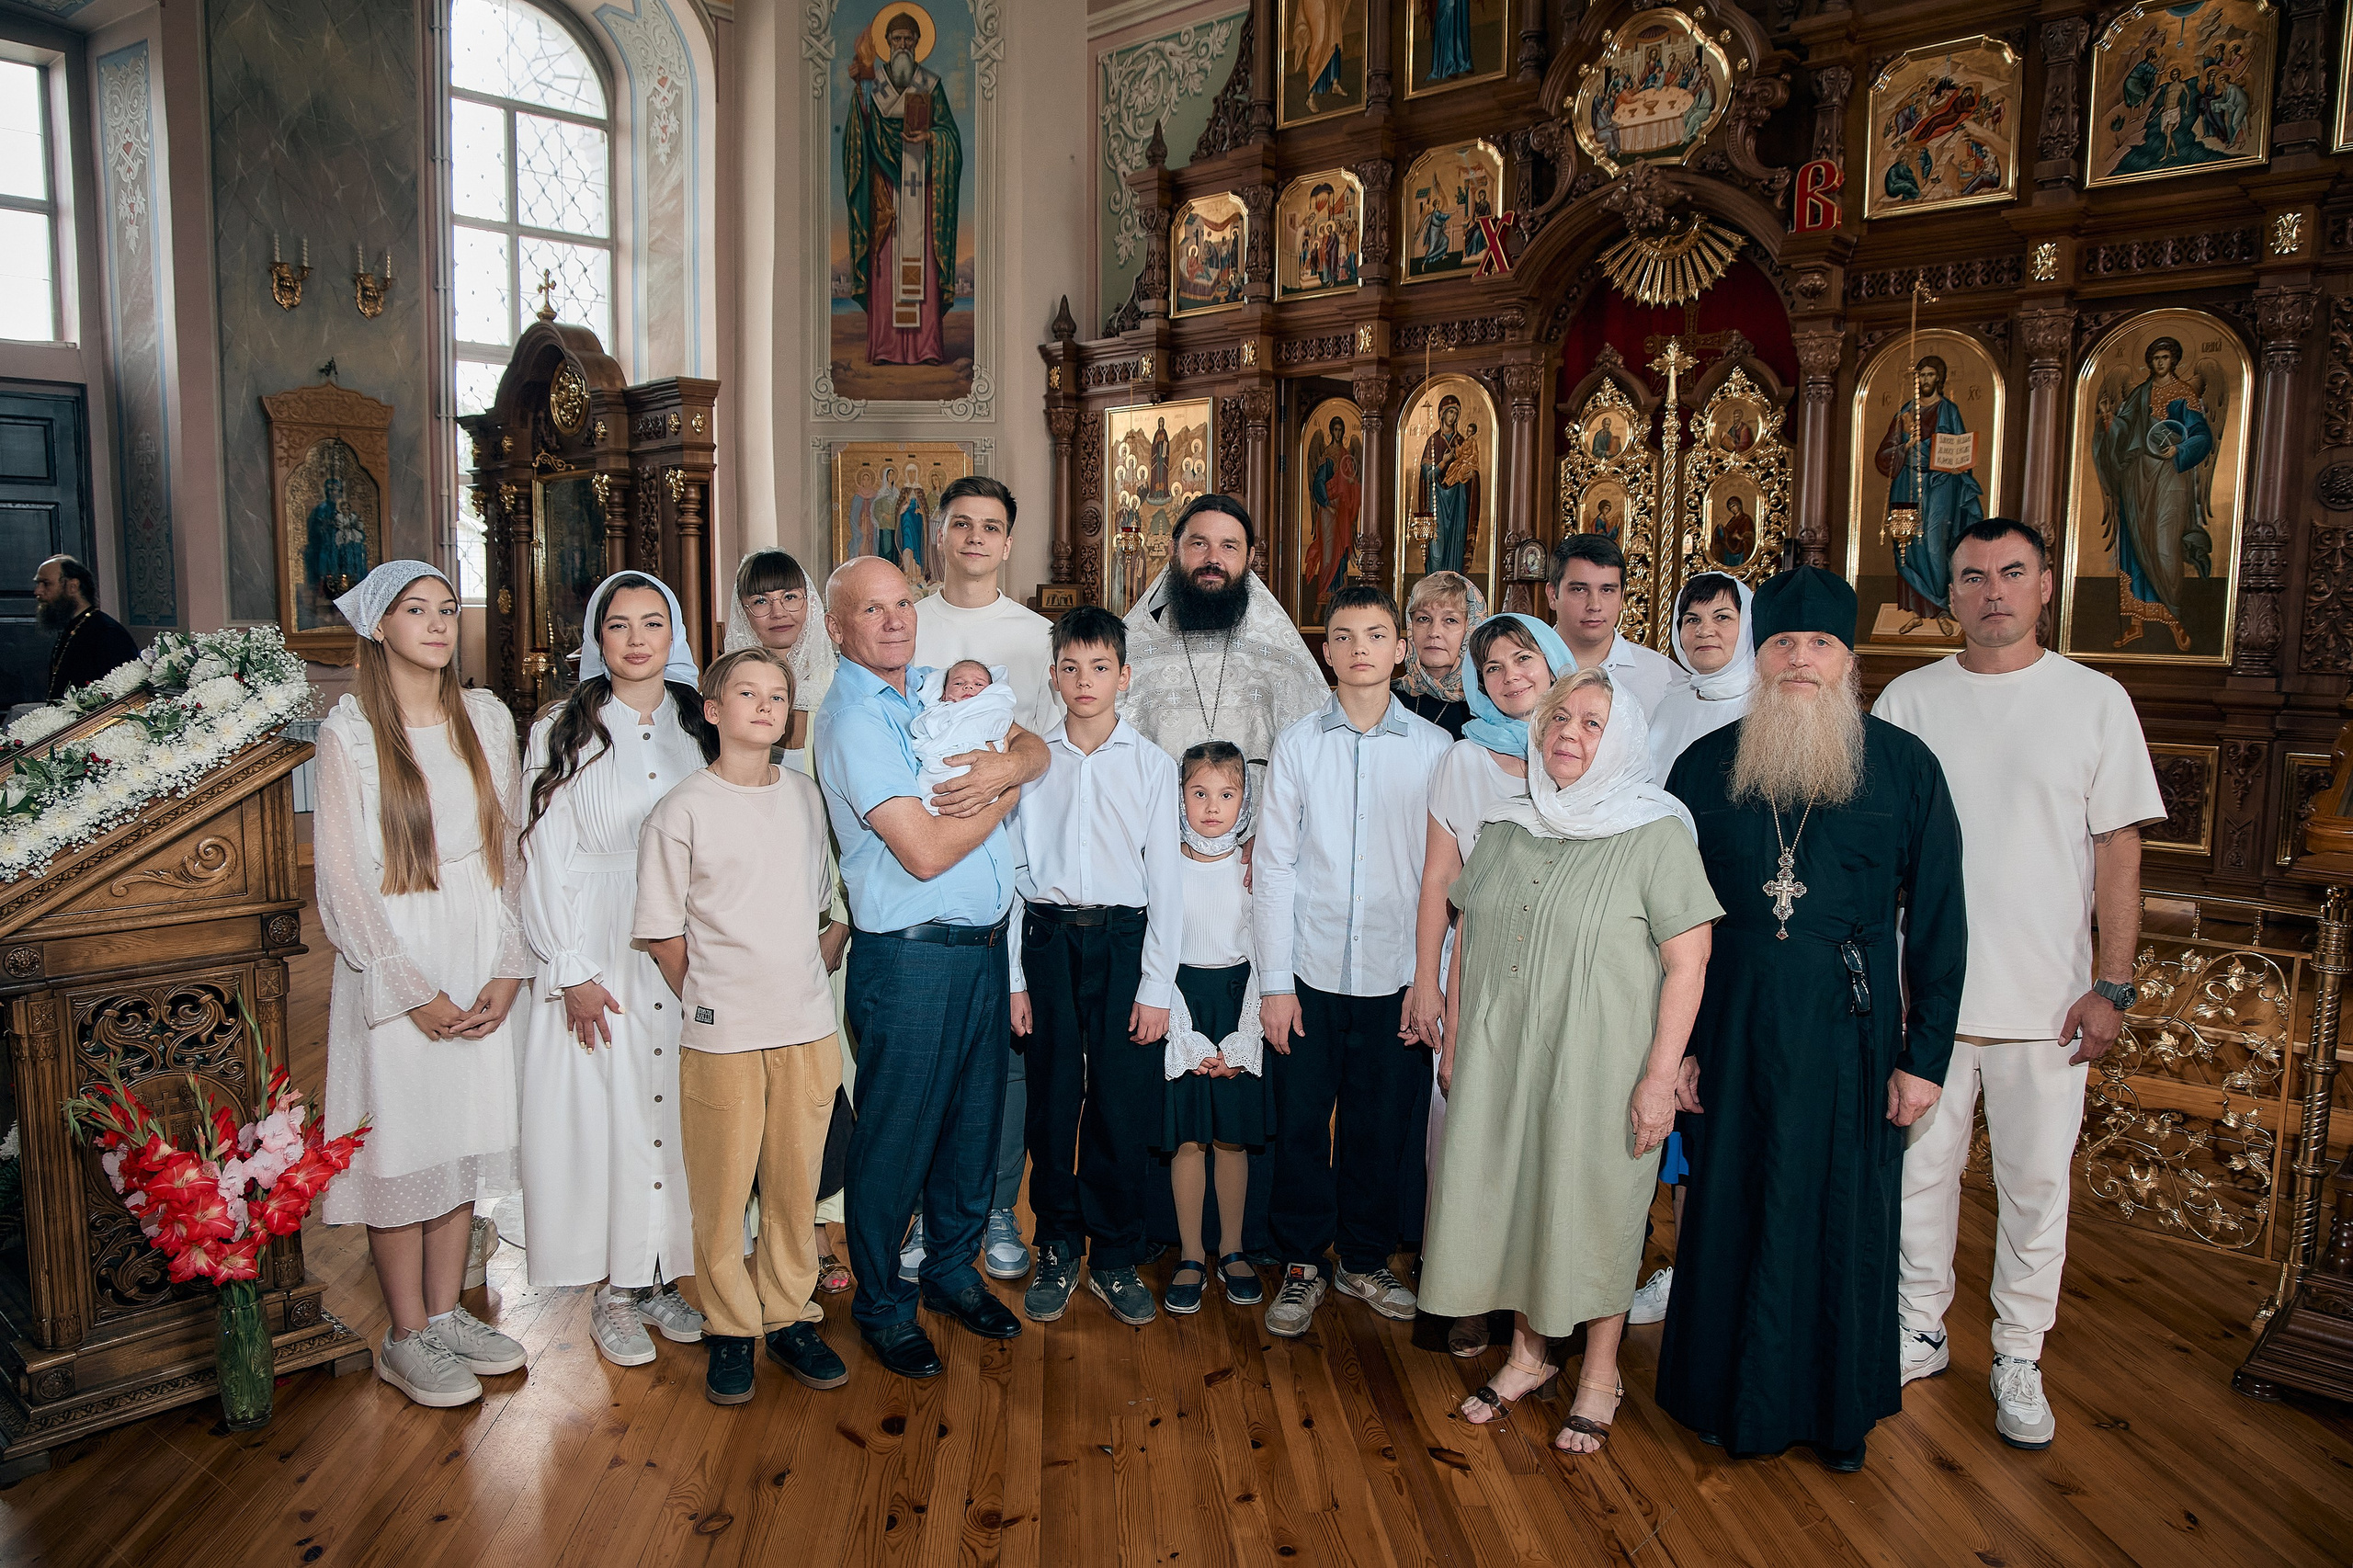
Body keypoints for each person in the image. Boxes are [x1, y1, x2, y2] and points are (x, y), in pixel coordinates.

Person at [1655, 565, 1966, 1473]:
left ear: (1848, 659)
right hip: (1732, 1019)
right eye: (1783, 642)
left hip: (1850, 1027)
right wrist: (1672, 1049)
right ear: (1760, 657)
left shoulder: (1903, 767)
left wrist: (1926, 1057)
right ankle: (1721, 1395)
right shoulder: (1705, 767)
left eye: (1819, 643)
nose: (1799, 658)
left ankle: (1834, 1410)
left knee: (1838, 1211)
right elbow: (1667, 920)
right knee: (1729, 1204)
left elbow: (1943, 917)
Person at [1875, 518, 2163, 1451]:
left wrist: (2110, 984)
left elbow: (2119, 847)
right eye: (1971, 576)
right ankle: (1917, 1326)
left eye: (2011, 572)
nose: (1992, 590)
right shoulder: (1909, 701)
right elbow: (1877, 856)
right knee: (1921, 1176)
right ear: (1946, 593)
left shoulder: (2095, 700)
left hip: (2049, 1003)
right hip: (1930, 1003)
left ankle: (2016, 1350)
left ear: (2045, 585)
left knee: (2036, 1186)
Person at [1424, 668, 1718, 1454]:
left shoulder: (1656, 831)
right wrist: (1453, 1035)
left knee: (1593, 1210)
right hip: (1503, 1055)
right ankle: (1527, 1357)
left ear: (1619, 739)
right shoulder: (1511, 822)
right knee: (1517, 1198)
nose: (1568, 734)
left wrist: (1661, 1076)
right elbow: (1471, 933)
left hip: (1602, 1065)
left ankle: (1597, 1373)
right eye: (1559, 717)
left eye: (1592, 723)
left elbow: (1690, 962)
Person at [816, 557, 1047, 1380]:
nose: (893, 621)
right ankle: (882, 1303)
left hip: (983, 951)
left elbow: (1031, 740)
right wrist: (1008, 790)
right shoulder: (852, 721)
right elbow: (921, 851)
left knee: (970, 1132)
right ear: (837, 629)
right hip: (910, 961)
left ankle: (950, 1272)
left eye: (902, 604)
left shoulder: (929, 686)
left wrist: (1008, 764)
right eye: (870, 611)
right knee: (897, 1142)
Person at [313, 562, 529, 1409]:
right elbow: (342, 883)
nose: (440, 624)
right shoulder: (351, 736)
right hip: (397, 949)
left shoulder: (484, 716)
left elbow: (510, 849)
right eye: (418, 610)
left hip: (477, 940)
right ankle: (404, 1335)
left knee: (462, 1141)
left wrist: (510, 964)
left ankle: (444, 1316)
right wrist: (408, 987)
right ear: (379, 626)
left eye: (447, 608)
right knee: (403, 1146)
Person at [635, 646, 849, 1403]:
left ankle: (790, 1313)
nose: (764, 705)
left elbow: (822, 904)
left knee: (795, 1189)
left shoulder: (805, 798)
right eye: (746, 693)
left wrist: (809, 963)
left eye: (777, 695)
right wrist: (712, 995)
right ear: (714, 709)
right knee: (723, 1194)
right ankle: (731, 1328)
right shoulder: (682, 809)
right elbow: (663, 934)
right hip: (722, 1034)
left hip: (805, 1028)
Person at [517, 573, 713, 1368]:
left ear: (675, 637)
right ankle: (613, 1291)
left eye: (653, 624)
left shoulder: (699, 723)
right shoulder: (561, 729)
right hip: (599, 937)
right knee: (612, 1110)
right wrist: (570, 969)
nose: (637, 640)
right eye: (619, 625)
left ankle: (662, 1274)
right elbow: (539, 856)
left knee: (677, 1106)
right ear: (597, 639)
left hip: (685, 939)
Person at [1255, 585, 1451, 1338]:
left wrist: (1428, 982)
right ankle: (1301, 1264)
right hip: (1308, 973)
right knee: (1301, 1122)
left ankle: (1364, 1260)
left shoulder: (1437, 752)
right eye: (1344, 635)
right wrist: (1275, 984)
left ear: (1401, 649)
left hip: (1398, 977)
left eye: (1377, 634)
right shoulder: (1301, 746)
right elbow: (1272, 869)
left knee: (1378, 1126)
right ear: (1326, 650)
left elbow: (1447, 876)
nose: (1361, 648)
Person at [1006, 607, 1183, 1324]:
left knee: (1119, 1099)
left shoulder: (1151, 765)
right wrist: (1015, 979)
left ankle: (1112, 1251)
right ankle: (1055, 1243)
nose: (1085, 681)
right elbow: (1014, 870)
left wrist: (1156, 986)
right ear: (1053, 676)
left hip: (1122, 940)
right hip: (1047, 938)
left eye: (1100, 667)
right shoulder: (1030, 760)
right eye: (1071, 668)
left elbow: (1166, 881)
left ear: (1124, 676)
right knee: (1052, 1100)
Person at [1404, 612, 1574, 1354]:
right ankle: (1464, 1290)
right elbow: (1440, 876)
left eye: (1524, 659)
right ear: (1475, 682)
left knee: (1549, 1132)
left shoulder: (1586, 749)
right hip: (1473, 965)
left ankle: (1542, 1299)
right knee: (1462, 1131)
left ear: (1553, 661)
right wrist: (1425, 982)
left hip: (1566, 968)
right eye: (1493, 667)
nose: (1512, 677)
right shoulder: (1462, 759)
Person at [911, 475, 1061, 1287]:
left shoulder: (1036, 637)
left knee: (1002, 1053)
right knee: (923, 1051)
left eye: (991, 526)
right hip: (914, 865)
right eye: (960, 524)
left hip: (1007, 868)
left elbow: (1047, 749)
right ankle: (926, 1211)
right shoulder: (908, 623)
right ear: (940, 535)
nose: (974, 538)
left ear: (1009, 543)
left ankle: (999, 1204)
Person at [1625, 571, 1756, 1327]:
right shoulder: (1663, 705)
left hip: (1737, 938)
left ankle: (1727, 1263)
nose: (1706, 631)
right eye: (1693, 618)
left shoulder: (1769, 706)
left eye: (1722, 617)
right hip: (1661, 931)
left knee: (1723, 1100)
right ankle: (1679, 1262)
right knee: (1673, 1098)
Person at [722, 550, 854, 1294]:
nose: (778, 611)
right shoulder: (727, 687)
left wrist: (839, 921)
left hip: (826, 911)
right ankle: (750, 1229)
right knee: (753, 1078)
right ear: (744, 609)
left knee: (823, 1080)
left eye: (789, 595)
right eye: (760, 599)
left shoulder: (839, 681)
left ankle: (815, 1231)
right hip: (749, 919)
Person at [1159, 741, 1273, 1313]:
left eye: (1226, 794)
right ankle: (1189, 1254)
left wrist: (1241, 1037)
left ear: (1243, 799)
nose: (1211, 806)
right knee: (1187, 1138)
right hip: (1182, 1002)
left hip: (1237, 1004)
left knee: (1230, 1137)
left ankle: (1232, 1249)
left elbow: (1264, 947)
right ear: (1180, 796)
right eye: (1199, 793)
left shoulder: (1255, 866)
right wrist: (1186, 1035)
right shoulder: (1165, 863)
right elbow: (1157, 950)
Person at [1120, 494, 1330, 792]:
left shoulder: (1280, 655)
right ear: (1173, 549)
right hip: (1158, 829)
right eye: (1199, 544)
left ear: (1250, 557)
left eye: (1228, 546)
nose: (1213, 559)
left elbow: (1315, 758)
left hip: (1257, 834)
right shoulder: (1133, 652)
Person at [1545, 535, 1688, 720]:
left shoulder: (1665, 677)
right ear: (1552, 595)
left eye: (1607, 590)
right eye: (1579, 589)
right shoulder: (1521, 672)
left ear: (1621, 598)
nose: (1594, 605)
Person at [910, 660, 1017, 811]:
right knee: (932, 795)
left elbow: (1000, 726)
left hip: (981, 772)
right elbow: (922, 728)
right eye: (958, 684)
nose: (968, 686)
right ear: (944, 694)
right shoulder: (940, 710)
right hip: (941, 765)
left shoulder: (992, 709)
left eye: (979, 684)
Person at [34, 554, 140, 702]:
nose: (37, 591)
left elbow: (122, 697)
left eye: (46, 583)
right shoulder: (72, 628)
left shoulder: (107, 633)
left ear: (73, 586)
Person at [1394, 571, 1486, 738]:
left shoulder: (1489, 706)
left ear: (1471, 629)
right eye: (1423, 619)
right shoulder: (1388, 700)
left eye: (1450, 620)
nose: (1434, 632)